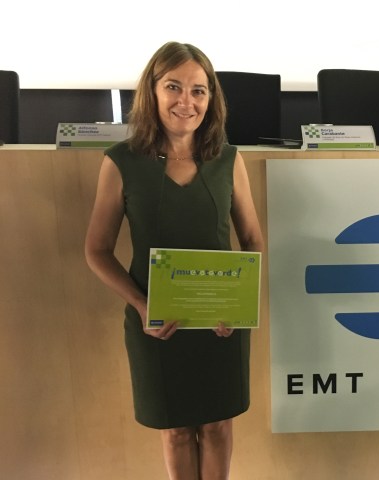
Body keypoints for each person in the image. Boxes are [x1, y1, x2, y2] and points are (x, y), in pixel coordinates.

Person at [85, 41, 264, 480]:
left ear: (211, 98)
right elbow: (96, 251)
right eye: (174, 87)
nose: (187, 101)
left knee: (218, 425)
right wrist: (143, 306)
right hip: (156, 323)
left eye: (199, 90)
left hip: (220, 323)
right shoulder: (121, 162)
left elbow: (252, 237)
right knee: (177, 432)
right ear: (153, 91)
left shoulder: (227, 159)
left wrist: (237, 302)